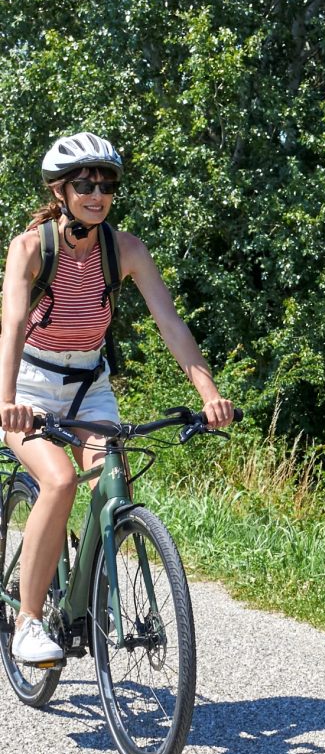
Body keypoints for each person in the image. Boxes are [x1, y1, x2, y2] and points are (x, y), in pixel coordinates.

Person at [0, 132, 234, 664]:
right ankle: (28, 621)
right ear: (60, 190)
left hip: (89, 386)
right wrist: (6, 397)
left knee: (114, 477)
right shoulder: (31, 247)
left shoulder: (126, 249)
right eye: (85, 184)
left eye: (106, 185)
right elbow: (12, 323)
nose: (97, 194)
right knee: (58, 480)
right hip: (29, 385)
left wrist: (210, 392)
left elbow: (170, 324)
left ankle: (91, 587)